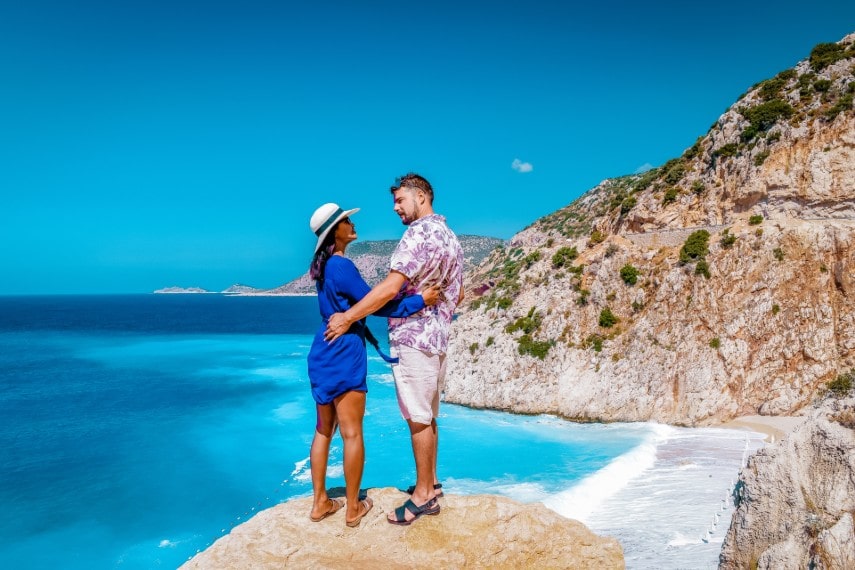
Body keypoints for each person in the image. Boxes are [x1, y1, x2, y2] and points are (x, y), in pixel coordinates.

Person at [325, 173, 464, 526]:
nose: (395, 208)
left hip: (413, 338)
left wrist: (347, 319)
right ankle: (431, 482)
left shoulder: (417, 234)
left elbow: (389, 288)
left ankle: (422, 497)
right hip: (438, 337)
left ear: (421, 196)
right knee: (428, 414)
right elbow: (457, 296)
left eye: (400, 200)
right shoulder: (451, 238)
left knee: (416, 416)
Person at [306, 202, 439, 528]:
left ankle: (320, 502)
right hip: (345, 353)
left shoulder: (322, 268)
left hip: (322, 350)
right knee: (351, 433)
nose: (351, 223)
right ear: (334, 232)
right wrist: (419, 301)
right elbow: (375, 303)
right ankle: (352, 508)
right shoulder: (341, 266)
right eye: (345, 220)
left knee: (324, 429)